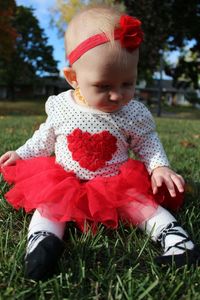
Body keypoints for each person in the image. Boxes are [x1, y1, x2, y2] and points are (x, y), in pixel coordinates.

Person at [0, 5, 199, 281]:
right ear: (74, 78)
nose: (117, 95)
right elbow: (44, 138)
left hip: (114, 181)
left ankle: (177, 240)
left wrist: (159, 167)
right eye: (104, 86)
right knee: (51, 204)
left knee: (139, 203)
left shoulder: (132, 113)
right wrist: (21, 153)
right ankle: (42, 243)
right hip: (65, 179)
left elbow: (147, 141)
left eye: (127, 83)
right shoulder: (61, 107)